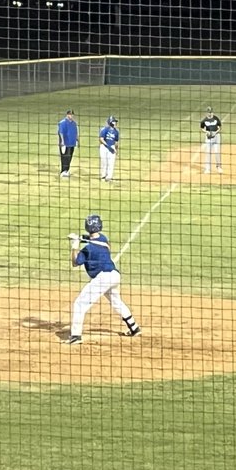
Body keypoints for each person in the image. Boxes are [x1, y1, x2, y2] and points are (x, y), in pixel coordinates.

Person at [63, 214, 141, 344]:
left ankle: (76, 336)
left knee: (79, 304)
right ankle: (134, 328)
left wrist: (75, 245)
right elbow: (96, 240)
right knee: (116, 301)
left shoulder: (88, 249)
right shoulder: (104, 239)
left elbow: (75, 262)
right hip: (115, 276)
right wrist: (81, 238)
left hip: (102, 279)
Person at [57, 109, 79, 178]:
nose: (71, 116)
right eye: (70, 114)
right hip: (65, 143)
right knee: (64, 157)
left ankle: (67, 170)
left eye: (72, 115)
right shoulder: (62, 123)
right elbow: (61, 132)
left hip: (72, 143)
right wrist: (62, 142)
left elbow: (76, 133)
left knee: (70, 157)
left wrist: (78, 140)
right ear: (67, 115)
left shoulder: (74, 123)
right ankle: (63, 171)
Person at [200, 109, 223, 173]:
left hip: (216, 137)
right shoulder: (204, 120)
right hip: (209, 138)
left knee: (217, 152)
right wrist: (207, 132)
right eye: (209, 113)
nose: (210, 114)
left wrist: (215, 132)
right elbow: (201, 128)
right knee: (208, 152)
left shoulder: (216, 118)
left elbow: (220, 127)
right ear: (207, 113)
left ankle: (219, 167)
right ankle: (207, 169)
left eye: (211, 112)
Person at [98, 115, 119, 182]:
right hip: (104, 148)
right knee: (104, 162)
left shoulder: (116, 131)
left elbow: (116, 142)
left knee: (111, 163)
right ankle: (103, 176)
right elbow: (101, 139)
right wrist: (107, 146)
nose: (115, 123)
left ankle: (109, 177)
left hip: (112, 147)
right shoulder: (104, 129)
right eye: (114, 122)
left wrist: (116, 150)